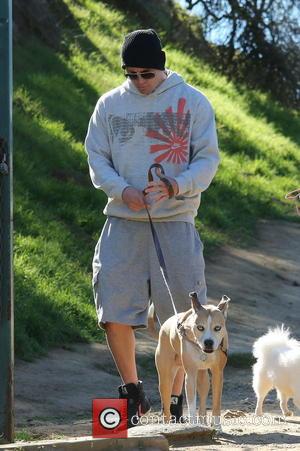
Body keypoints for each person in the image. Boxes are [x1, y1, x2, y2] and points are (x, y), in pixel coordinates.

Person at [84, 28, 220, 426]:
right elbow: (97, 157)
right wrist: (121, 190)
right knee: (112, 305)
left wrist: (176, 185)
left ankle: (173, 399)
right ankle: (131, 392)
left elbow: (207, 160)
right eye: (131, 74)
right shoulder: (109, 105)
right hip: (122, 219)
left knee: (182, 315)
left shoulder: (193, 102)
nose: (139, 81)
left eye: (147, 73)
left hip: (175, 221)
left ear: (161, 67)